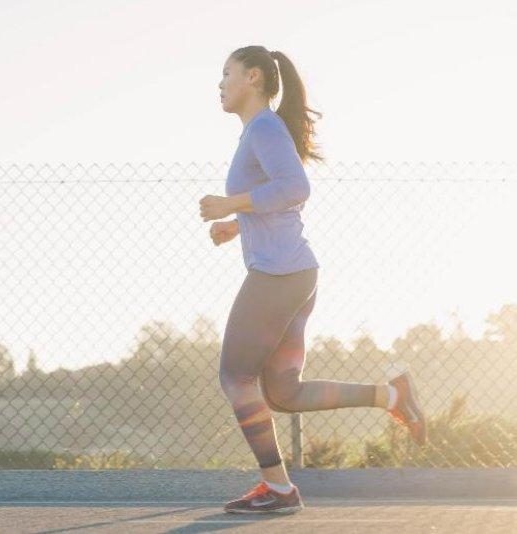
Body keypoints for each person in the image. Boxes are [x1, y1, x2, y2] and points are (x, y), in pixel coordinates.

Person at [199, 45, 427, 515]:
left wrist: (232, 204)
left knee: (235, 375)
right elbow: (281, 199)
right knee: (282, 392)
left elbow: (296, 188)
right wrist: (237, 225)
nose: (220, 84)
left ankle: (279, 490)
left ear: (255, 78)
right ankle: (392, 395)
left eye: (227, 74)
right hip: (296, 274)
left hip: (279, 276)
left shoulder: (263, 127)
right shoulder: (258, 132)